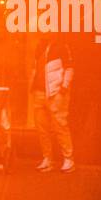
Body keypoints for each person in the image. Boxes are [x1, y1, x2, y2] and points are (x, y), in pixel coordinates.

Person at [32, 38, 75, 173]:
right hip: (39, 92)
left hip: (55, 92)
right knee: (42, 127)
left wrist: (64, 87)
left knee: (60, 125)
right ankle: (47, 159)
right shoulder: (40, 45)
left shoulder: (62, 45)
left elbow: (69, 67)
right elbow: (35, 67)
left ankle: (68, 159)